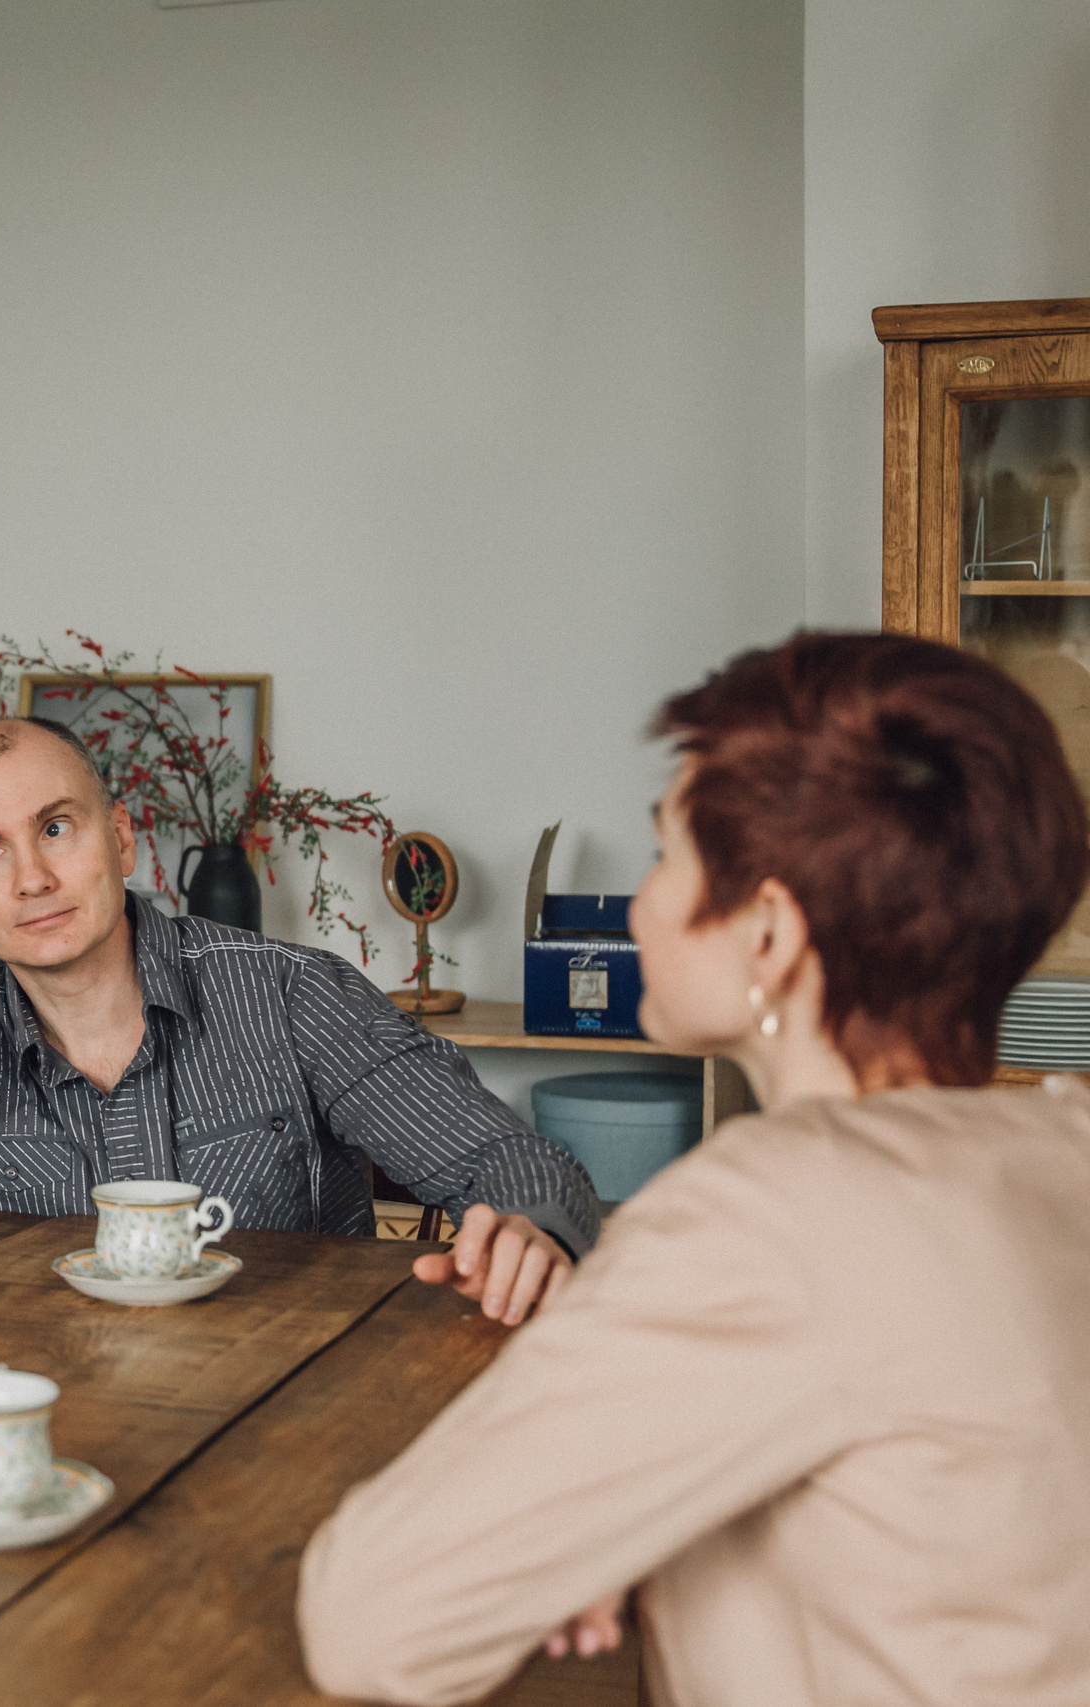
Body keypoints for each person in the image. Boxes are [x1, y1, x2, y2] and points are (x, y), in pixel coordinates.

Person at [297, 632, 1090, 1706]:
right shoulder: (1060, 1140)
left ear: (767, 933)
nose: (639, 905)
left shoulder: (774, 1210)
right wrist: (629, 1531)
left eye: (665, 855)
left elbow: (372, 1621)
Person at [0, 716, 603, 1324]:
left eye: (55, 828)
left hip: (297, 1427)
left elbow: (511, 1161)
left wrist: (528, 1227)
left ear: (123, 839)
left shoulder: (291, 997)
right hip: (60, 1440)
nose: (29, 879)